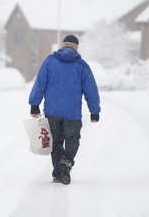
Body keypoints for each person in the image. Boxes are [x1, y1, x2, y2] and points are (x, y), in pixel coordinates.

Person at [29, 34, 101, 185]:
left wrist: (34, 105)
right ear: (76, 47)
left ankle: (57, 173)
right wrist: (94, 111)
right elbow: (91, 90)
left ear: (62, 45)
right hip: (72, 113)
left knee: (55, 142)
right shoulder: (82, 65)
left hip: (52, 111)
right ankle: (66, 161)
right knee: (73, 140)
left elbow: (40, 83)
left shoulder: (50, 61)